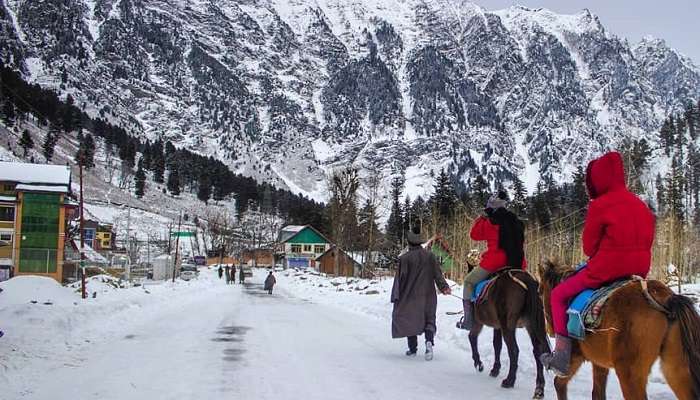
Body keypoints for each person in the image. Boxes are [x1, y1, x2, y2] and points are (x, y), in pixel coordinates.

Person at [540, 151, 655, 376]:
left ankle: (562, 357)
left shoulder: (600, 205)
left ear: (597, 180)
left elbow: (589, 248)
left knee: (558, 295)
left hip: (606, 270)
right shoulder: (640, 204)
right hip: (639, 271)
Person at [459, 191, 526, 330]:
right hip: (518, 263)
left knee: (469, 281)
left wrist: (482, 217)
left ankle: (468, 320)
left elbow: (474, 235)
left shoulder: (490, 222)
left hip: (495, 262)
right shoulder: (516, 221)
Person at [391, 225, 451, 361]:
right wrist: (444, 288)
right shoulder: (430, 256)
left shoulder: (404, 259)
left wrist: (396, 296)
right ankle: (429, 343)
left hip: (410, 296)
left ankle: (413, 349)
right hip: (428, 295)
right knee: (429, 319)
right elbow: (438, 275)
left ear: (409, 242)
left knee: (410, 319)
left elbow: (399, 280)